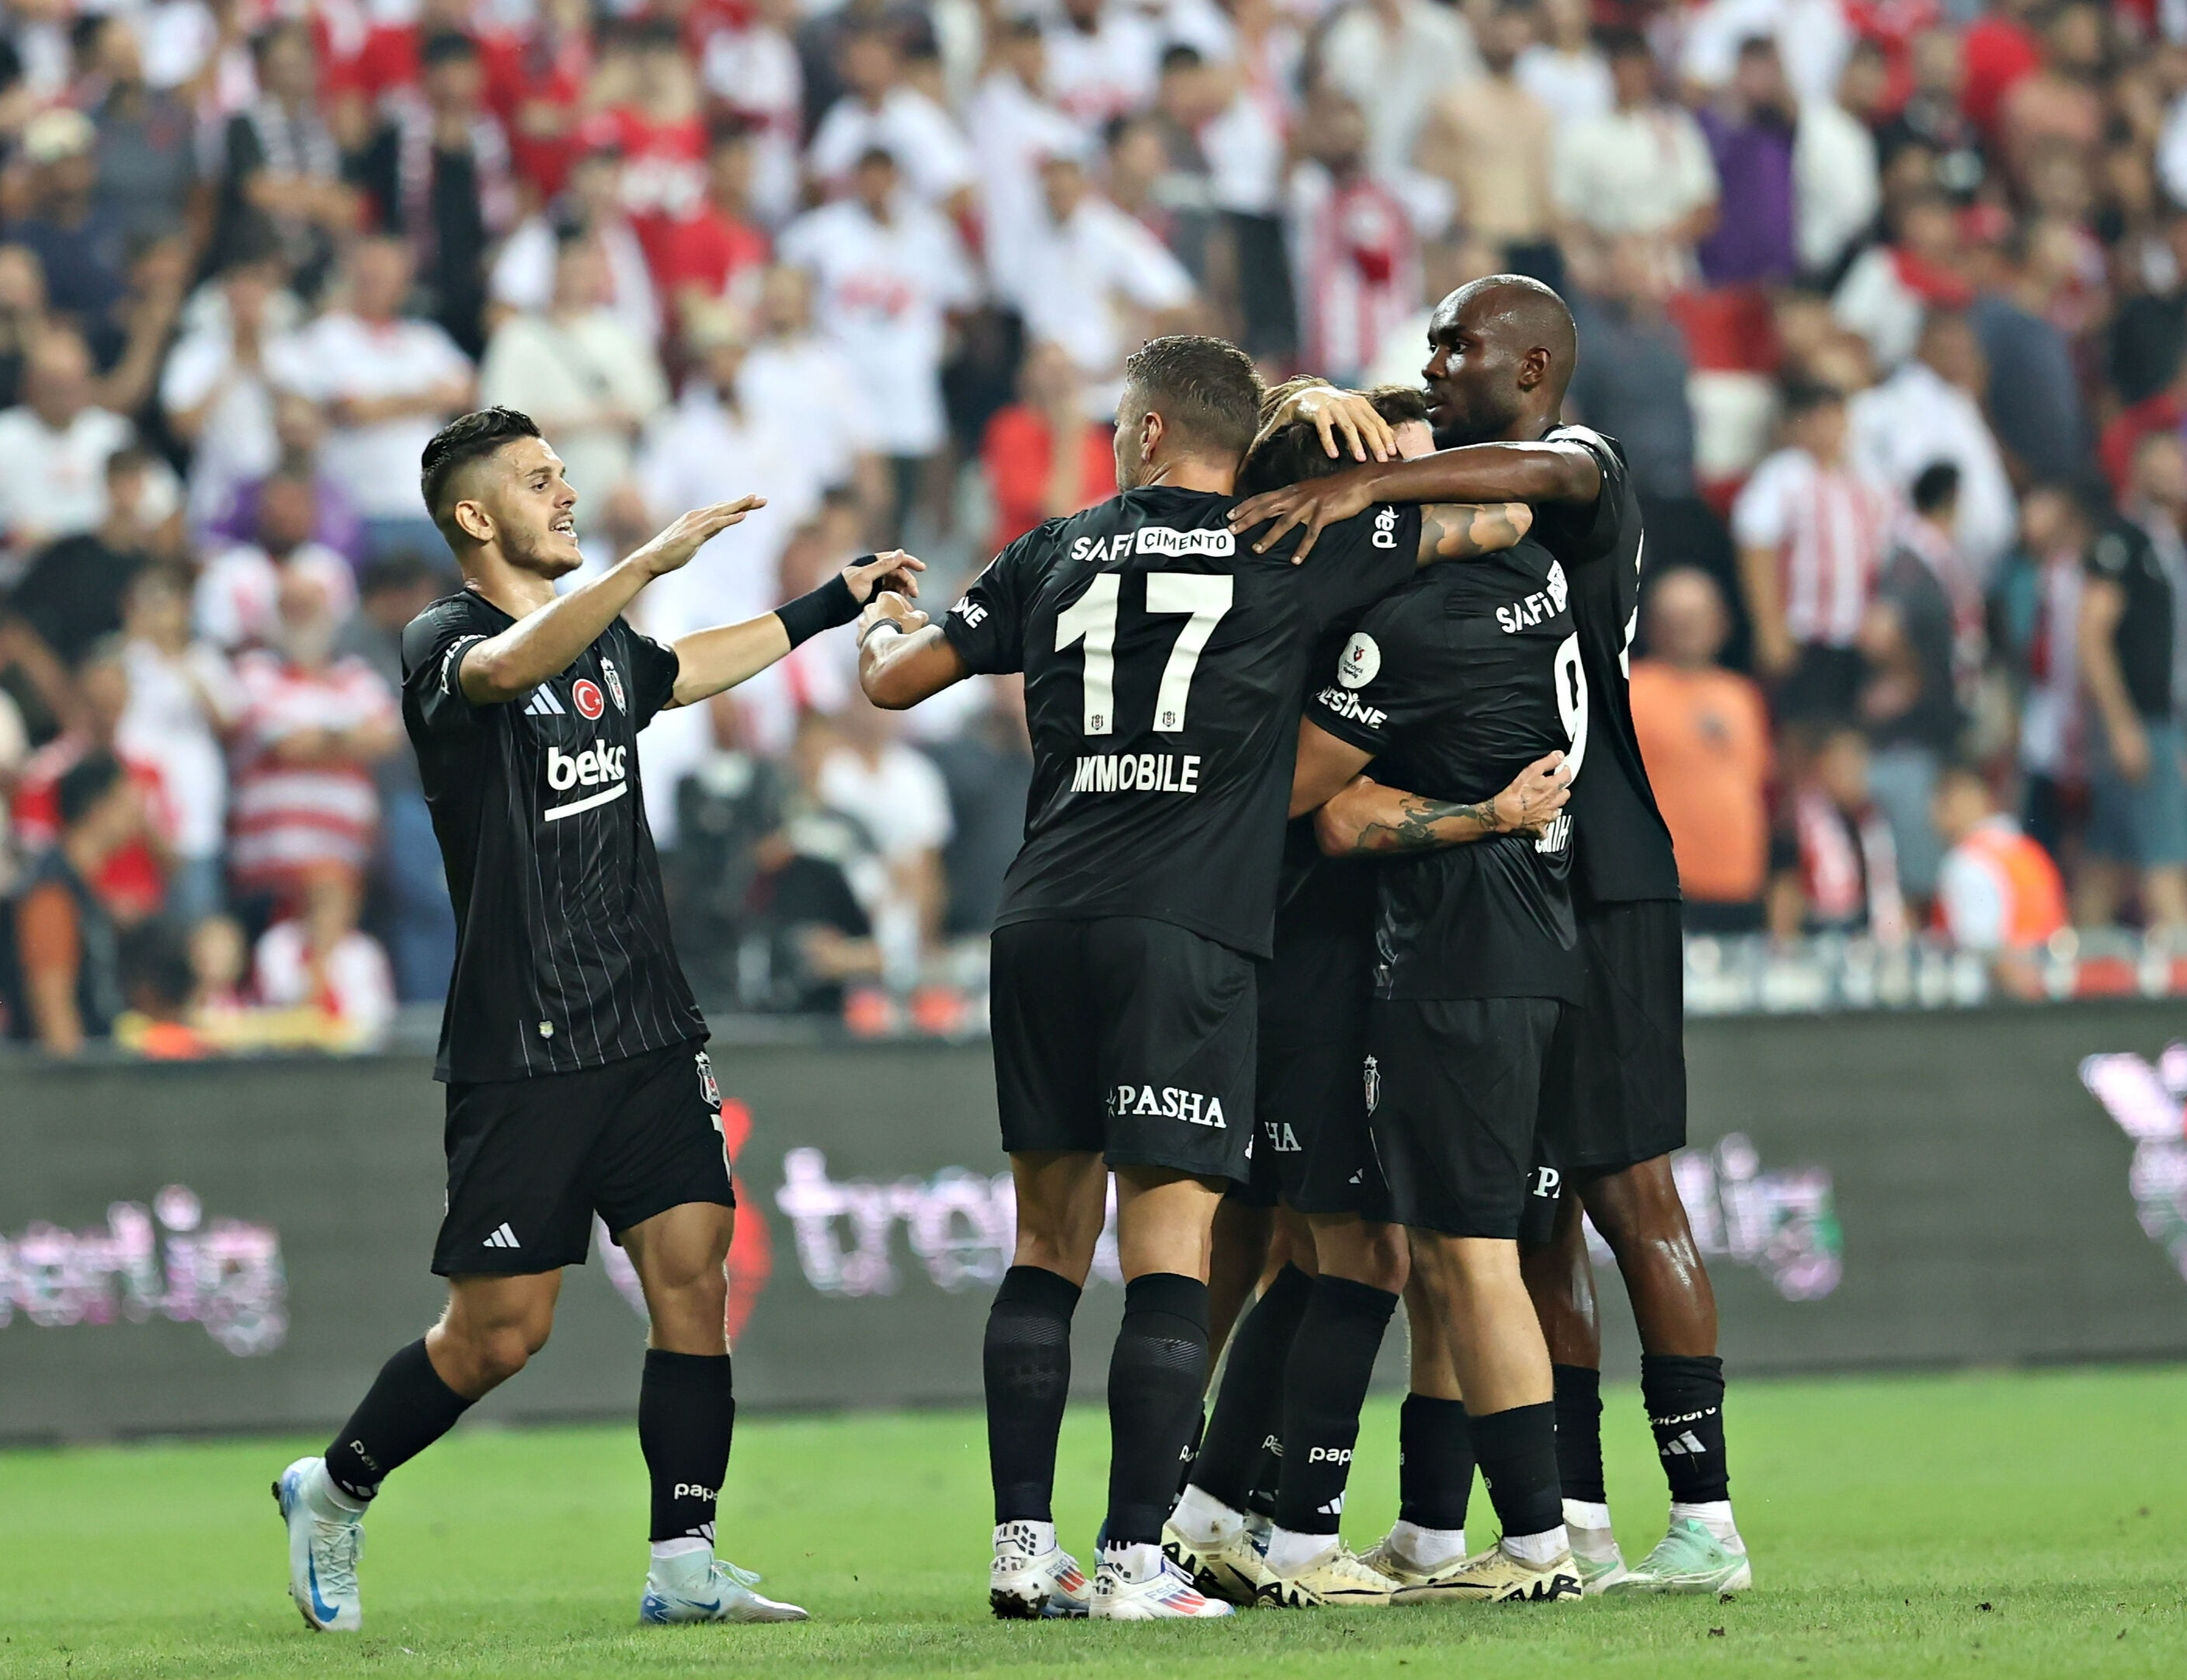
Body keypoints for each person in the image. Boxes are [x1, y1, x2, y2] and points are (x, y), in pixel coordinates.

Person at [855, 335, 1531, 1620]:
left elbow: (896, 681)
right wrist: (1365, 468)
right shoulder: (1296, 543)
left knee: (1043, 1245)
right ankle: (1129, 1560)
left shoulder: (1051, 546)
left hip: (1039, 914)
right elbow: (1496, 515)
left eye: (1120, 423)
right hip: (1186, 931)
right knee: (1168, 1248)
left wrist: (882, 618)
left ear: (1152, 433)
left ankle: (1018, 1550)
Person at [270, 406, 920, 1632]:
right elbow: (510, 670)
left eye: (564, 474)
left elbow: (680, 669)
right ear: (474, 516)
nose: (564, 493)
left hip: (647, 1025)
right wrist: (648, 559)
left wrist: (830, 605)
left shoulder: (606, 642)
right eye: (536, 479)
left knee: (694, 1272)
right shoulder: (442, 639)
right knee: (499, 1333)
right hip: (525, 1046)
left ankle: (684, 1559)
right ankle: (334, 1489)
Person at [1240, 273, 1753, 1596]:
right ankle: (1567, 1511)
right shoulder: (1474, 545)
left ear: (1531, 370)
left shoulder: (1583, 464)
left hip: (1609, 864)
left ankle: (1701, 1513)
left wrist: (1369, 486)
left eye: (1457, 343)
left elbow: (1538, 481)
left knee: (1629, 1188)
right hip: (1518, 888)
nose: (1436, 357)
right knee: (1526, 1213)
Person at [1168, 384, 1571, 1611]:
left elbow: (1496, 506)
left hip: (1351, 954)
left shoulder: (1351, 583)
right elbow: (1317, 805)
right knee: (1363, 1248)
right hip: (1303, 951)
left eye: (1411, 477)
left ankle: (1206, 1515)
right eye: (1377, 480)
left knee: (1314, 1246)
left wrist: (1348, 430)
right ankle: (1289, 1541)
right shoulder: (1304, 604)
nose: (1405, 504)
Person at [2077, 437, 2187, 936]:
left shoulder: (2168, 545)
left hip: (2163, 719)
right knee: (2164, 855)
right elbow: (2092, 635)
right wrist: (2121, 725)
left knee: (2108, 856)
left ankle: (2073, 963)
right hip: (2140, 720)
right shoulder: (2123, 540)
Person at [1630, 568, 1772, 933]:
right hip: (1668, 886)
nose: (1686, 628)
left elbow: (1759, 787)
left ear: (1721, 623)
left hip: (1741, 885)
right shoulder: (1631, 692)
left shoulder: (1743, 696)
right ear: (1651, 625)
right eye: (1674, 618)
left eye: (1696, 617)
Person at [14, 750, 137, 1055]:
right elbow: (54, 1013)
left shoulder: (79, 889)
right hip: (72, 1087)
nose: (137, 813)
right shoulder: (51, 895)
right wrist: (82, 1090)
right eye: (125, 800)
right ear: (98, 807)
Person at [1931, 764, 2067, 956]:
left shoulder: (1967, 862)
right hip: (2048, 974)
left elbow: (1980, 951)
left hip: (2004, 982)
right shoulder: (2029, 851)